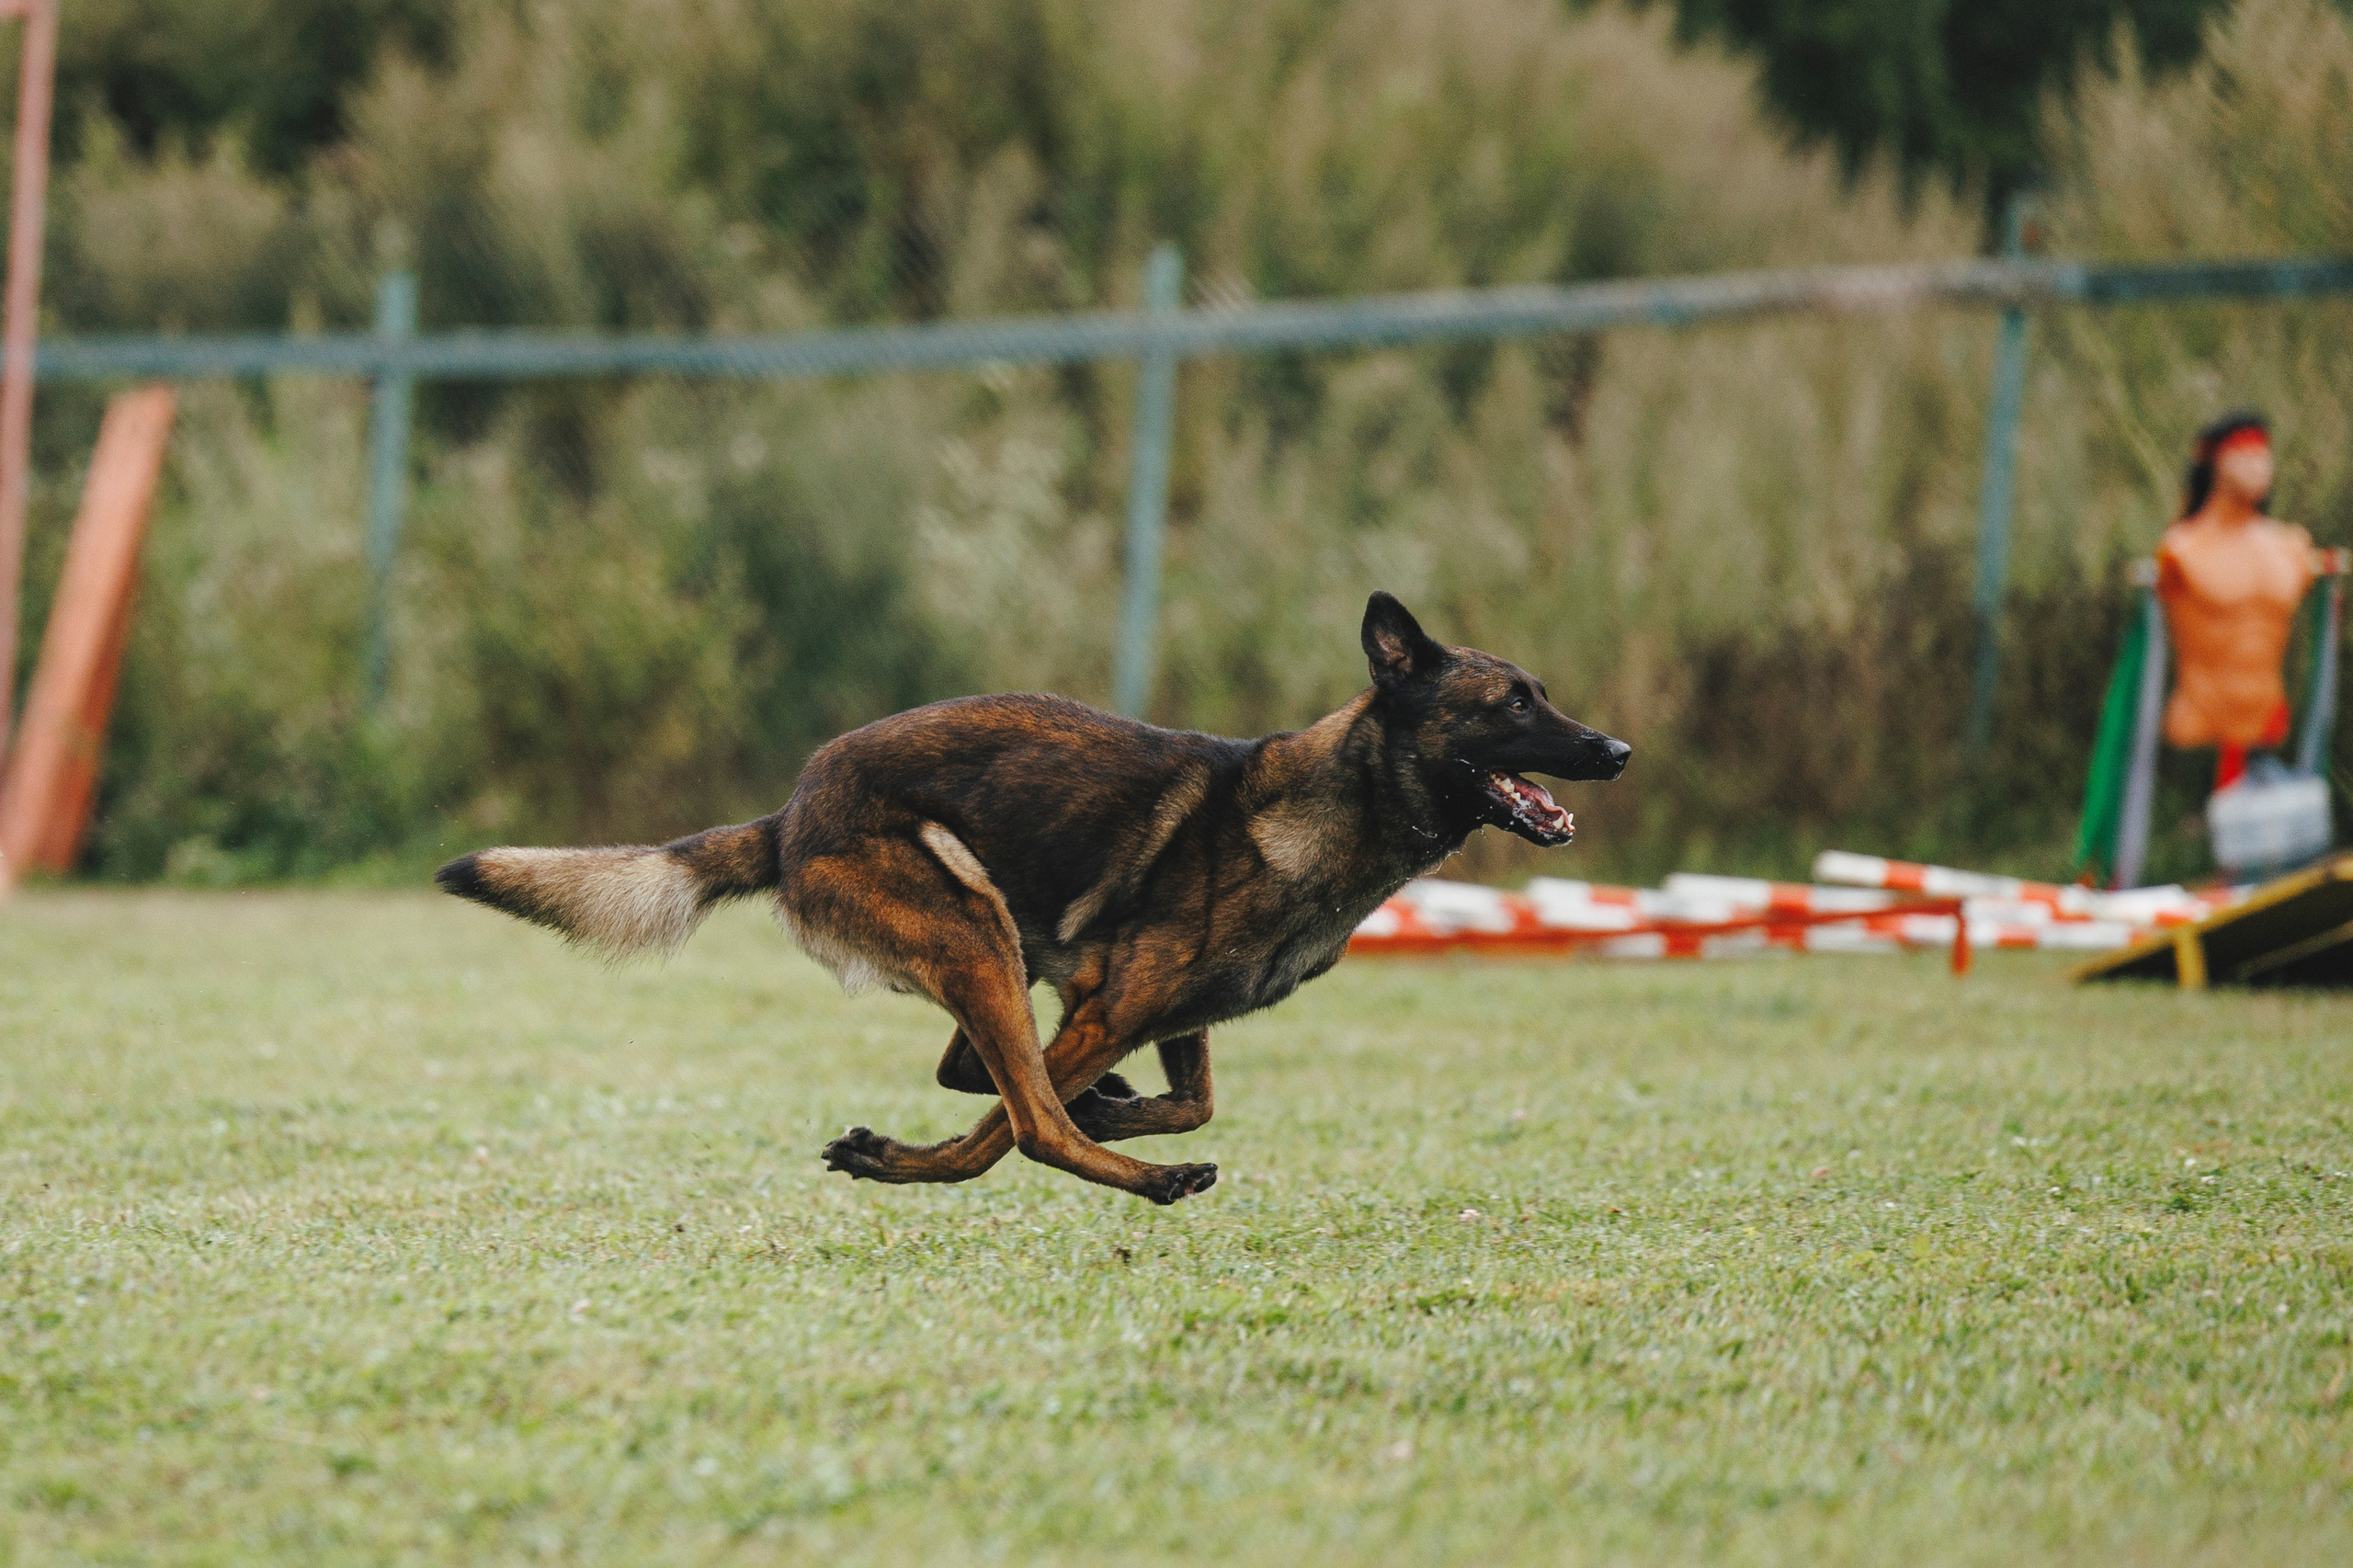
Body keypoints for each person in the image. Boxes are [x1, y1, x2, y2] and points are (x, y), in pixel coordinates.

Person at [2154, 412, 2327, 789]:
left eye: (2264, 454)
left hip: (2270, 729)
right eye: (2245, 455)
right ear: (2216, 463)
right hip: (2203, 730)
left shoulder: (2291, 545)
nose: (2259, 466)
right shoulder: (2184, 548)